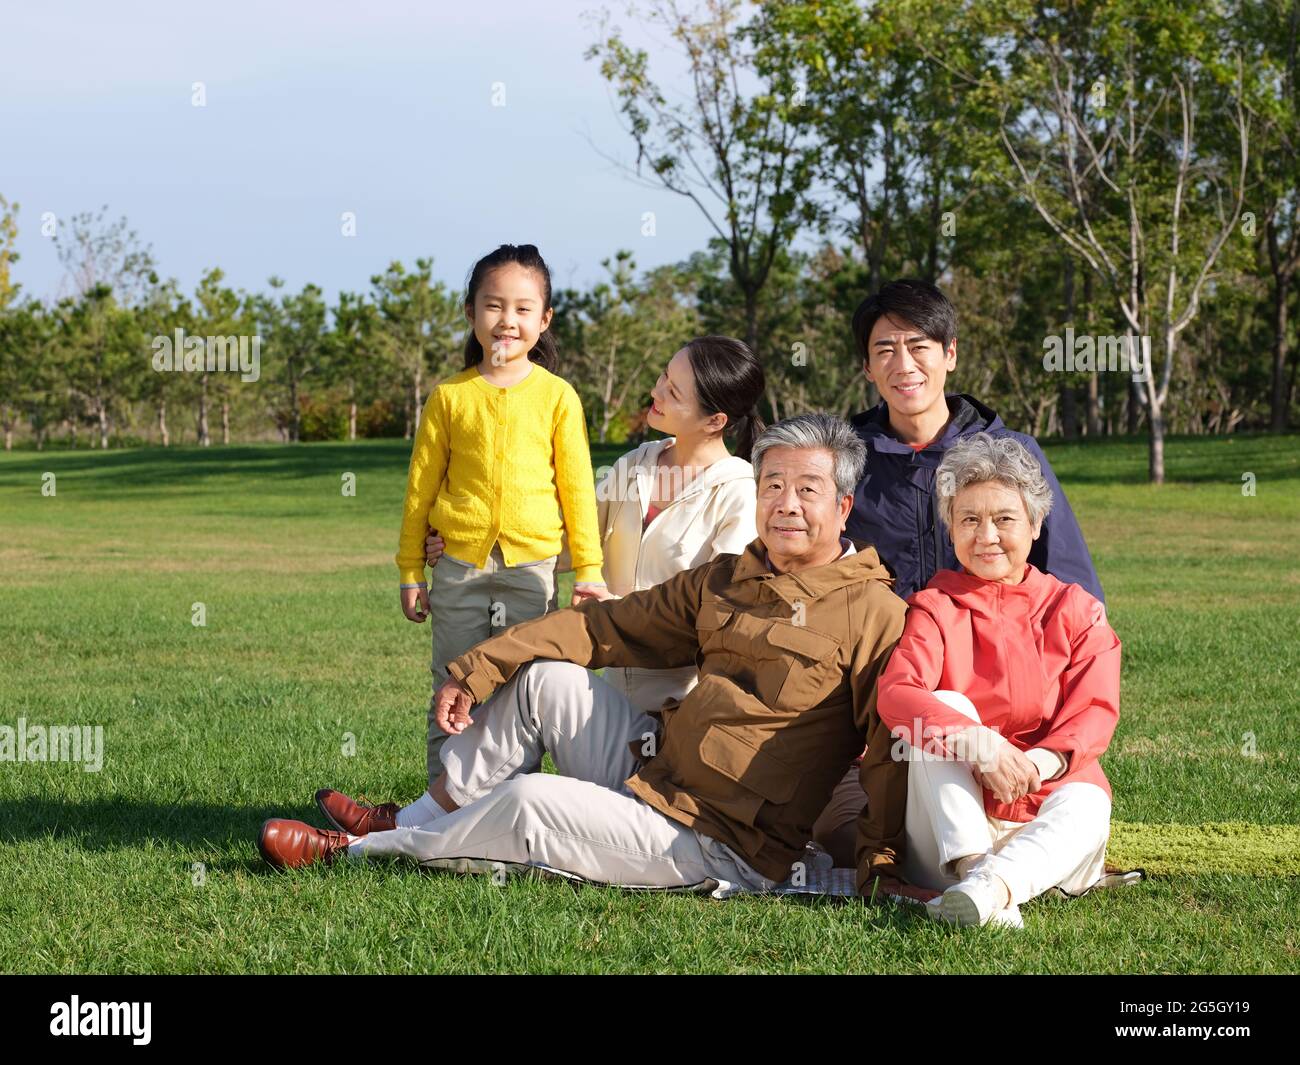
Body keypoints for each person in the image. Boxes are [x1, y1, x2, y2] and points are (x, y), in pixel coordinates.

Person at [258, 415, 910, 897]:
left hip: (722, 844)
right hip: (655, 773)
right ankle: (419, 815)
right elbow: (604, 625)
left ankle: (362, 851)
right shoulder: (728, 579)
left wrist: (880, 867)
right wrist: (479, 666)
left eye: (807, 490)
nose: (785, 504)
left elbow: (885, 751)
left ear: (844, 506)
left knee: (532, 802)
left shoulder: (873, 613)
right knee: (547, 680)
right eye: (771, 485)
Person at [811, 278, 1104, 866]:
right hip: (879, 686)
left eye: (919, 346)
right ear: (867, 368)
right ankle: (957, 861)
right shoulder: (844, 462)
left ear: (950, 353)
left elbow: (1071, 589)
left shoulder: (1009, 453)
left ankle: (991, 857)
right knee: (842, 832)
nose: (904, 364)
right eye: (884, 350)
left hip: (991, 683)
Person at [393, 243, 605, 824]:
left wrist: (589, 570)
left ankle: (507, 814)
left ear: (544, 320)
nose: (506, 321)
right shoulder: (450, 397)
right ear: (470, 313)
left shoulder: (558, 397)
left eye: (521, 308)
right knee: (452, 686)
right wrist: (411, 571)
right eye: (493, 305)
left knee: (519, 689)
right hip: (458, 567)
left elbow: (577, 491)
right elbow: (420, 492)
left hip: (533, 569)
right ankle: (438, 815)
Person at [876, 433, 1121, 928]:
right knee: (942, 706)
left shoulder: (1076, 611)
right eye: (969, 519)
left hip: (1044, 809)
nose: (986, 535)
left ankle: (989, 890)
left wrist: (1034, 762)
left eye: (1004, 519)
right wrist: (977, 744)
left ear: (1034, 525)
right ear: (950, 529)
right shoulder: (934, 608)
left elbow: (1093, 713)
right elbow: (897, 693)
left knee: (1090, 799)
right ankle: (975, 872)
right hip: (951, 832)